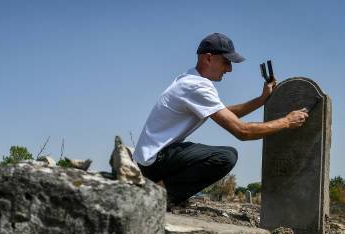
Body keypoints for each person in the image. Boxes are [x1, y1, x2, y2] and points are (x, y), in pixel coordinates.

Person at [132, 33, 308, 207]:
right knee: (225, 157)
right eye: (226, 61)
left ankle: (161, 190)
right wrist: (286, 121)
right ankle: (158, 195)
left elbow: (226, 114)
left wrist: (261, 100)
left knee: (212, 152)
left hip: (149, 161)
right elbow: (242, 131)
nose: (229, 69)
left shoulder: (190, 79)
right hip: (153, 162)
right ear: (208, 58)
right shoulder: (197, 86)